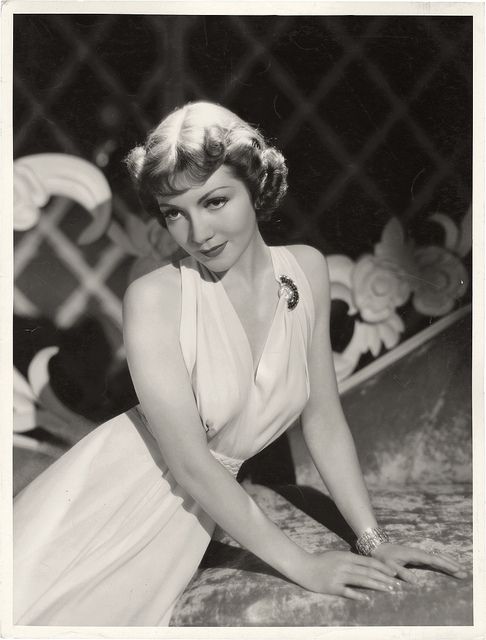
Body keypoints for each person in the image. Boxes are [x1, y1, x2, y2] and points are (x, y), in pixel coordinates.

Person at [13, 101, 467, 626]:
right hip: (110, 506)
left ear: (255, 188)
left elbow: (323, 420)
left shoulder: (307, 269)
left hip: (190, 520)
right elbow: (189, 464)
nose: (198, 232)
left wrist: (373, 540)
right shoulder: (155, 296)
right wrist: (304, 565)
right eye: (174, 212)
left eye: (215, 201)